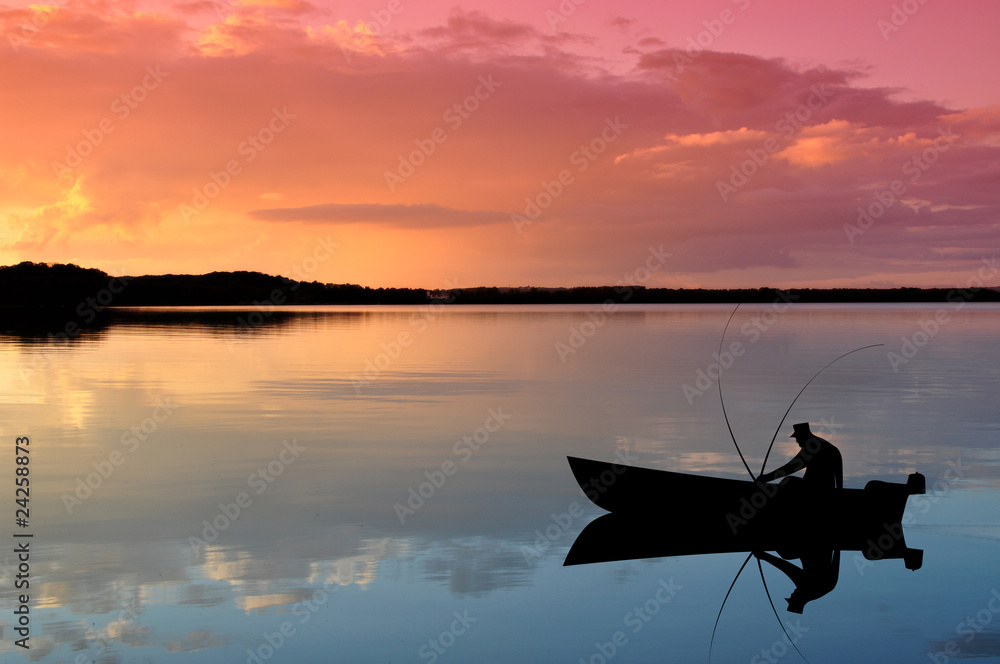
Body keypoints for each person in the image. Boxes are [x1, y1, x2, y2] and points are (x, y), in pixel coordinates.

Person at [756, 422, 843, 490]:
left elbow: (790, 468)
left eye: (797, 438)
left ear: (802, 436)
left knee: (788, 481)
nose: (797, 442)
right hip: (828, 489)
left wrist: (765, 478)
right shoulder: (832, 448)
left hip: (813, 489)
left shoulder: (811, 447)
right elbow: (839, 478)